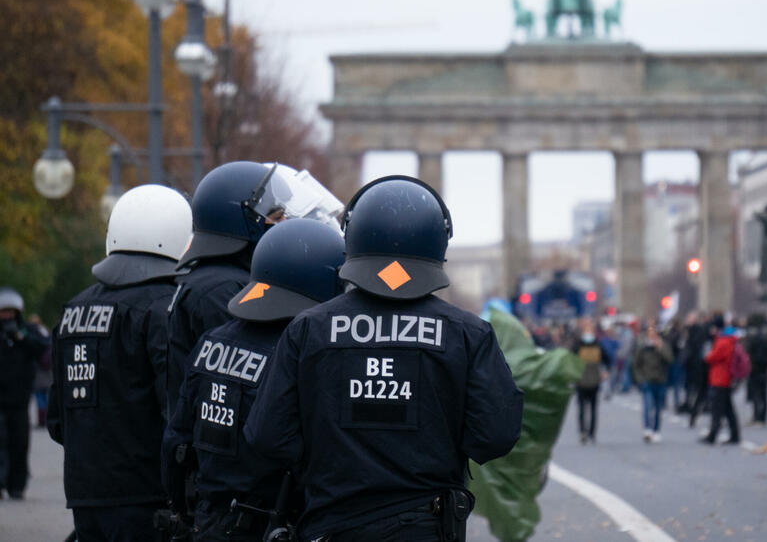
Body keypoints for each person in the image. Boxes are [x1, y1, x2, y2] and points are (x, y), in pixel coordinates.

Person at [245, 176, 523, 541]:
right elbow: (495, 437)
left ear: (352, 236)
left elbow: (267, 436)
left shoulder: (308, 330)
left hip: (331, 523)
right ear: (439, 240)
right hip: (426, 527)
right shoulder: (468, 333)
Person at [163, 218, 346, 540]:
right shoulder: (299, 355)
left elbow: (176, 441)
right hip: (275, 524)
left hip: (208, 521)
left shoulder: (210, 342)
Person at [47, 185, 190, 538]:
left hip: (85, 495)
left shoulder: (73, 309)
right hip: (148, 496)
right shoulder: (164, 308)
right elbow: (175, 410)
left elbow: (56, 420)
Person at [167, 161, 342, 414]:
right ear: (244, 220)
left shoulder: (214, 280)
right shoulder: (222, 289)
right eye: (278, 217)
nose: (286, 226)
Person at [0, 287, 49, 500]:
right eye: (4, 312)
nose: (7, 316)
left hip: (20, 399)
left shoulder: (28, 331)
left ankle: (17, 485)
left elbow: (44, 350)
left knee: (19, 443)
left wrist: (20, 337)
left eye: (11, 312)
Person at [699, 316, 740, 445]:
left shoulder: (723, 341)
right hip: (724, 378)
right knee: (728, 409)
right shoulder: (729, 339)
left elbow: (712, 357)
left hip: (720, 378)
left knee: (717, 409)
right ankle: (735, 434)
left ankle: (713, 434)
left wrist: (707, 356)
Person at [632, 323, 672, 442]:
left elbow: (670, 359)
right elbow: (636, 364)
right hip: (646, 380)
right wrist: (640, 379)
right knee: (647, 405)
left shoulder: (663, 345)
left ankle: (656, 430)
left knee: (658, 408)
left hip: (660, 380)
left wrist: (660, 348)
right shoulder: (642, 347)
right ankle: (647, 429)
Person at [571, 317, 607, 444]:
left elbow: (607, 358)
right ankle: (582, 432)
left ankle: (592, 432)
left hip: (594, 380)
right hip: (581, 380)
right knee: (581, 408)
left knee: (593, 408)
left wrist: (605, 371)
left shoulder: (598, 344)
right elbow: (571, 360)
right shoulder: (577, 345)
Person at [744, 313, 767, 425]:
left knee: (756, 393)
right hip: (765, 366)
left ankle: (757, 416)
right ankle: (763, 417)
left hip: (755, 367)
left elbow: (748, 351)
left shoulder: (752, 336)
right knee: (764, 392)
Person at [27, 314, 52, 427]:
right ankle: (47, 417)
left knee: (40, 396)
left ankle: (42, 419)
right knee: (45, 395)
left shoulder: (31, 333)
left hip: (38, 369)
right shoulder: (45, 331)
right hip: (47, 369)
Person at [685, 312, 710, 427]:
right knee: (702, 394)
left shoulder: (696, 332)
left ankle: (694, 415)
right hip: (701, 367)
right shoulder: (698, 332)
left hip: (700, 367)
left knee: (700, 394)